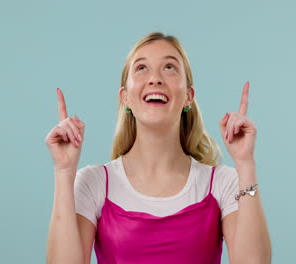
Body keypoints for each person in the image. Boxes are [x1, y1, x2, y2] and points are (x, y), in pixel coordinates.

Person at [45, 32, 271, 264]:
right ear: (125, 97)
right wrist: (64, 172)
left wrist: (245, 164)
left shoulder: (223, 182)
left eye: (169, 67)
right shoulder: (94, 183)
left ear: (189, 97)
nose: (155, 78)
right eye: (141, 68)